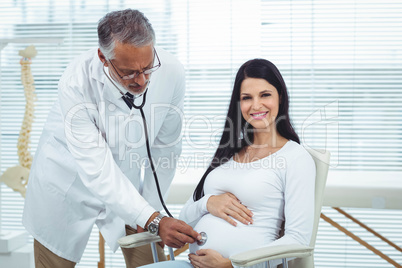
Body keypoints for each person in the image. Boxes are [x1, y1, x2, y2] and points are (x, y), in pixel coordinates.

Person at [22, 9, 200, 268]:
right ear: (103, 58)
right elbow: (97, 168)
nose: (141, 81)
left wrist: (151, 212)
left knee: (149, 261)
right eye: (129, 72)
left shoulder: (172, 72)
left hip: (127, 186)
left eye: (148, 68)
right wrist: (152, 219)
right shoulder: (76, 83)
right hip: (66, 186)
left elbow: (166, 148)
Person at [141, 59, 316, 268]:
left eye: (265, 95)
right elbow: (185, 221)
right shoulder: (229, 151)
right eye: (246, 98)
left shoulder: (295, 157)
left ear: (281, 96)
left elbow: (298, 241)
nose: (256, 105)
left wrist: (231, 265)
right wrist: (208, 203)